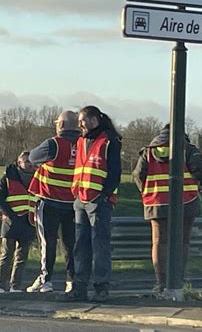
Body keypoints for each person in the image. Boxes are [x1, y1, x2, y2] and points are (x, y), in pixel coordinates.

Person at [132, 124, 202, 294]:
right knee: (183, 241)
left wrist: (145, 190)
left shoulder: (149, 151)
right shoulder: (188, 149)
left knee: (159, 242)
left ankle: (161, 282)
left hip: (157, 201)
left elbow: (137, 174)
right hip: (186, 201)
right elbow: (201, 171)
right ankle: (177, 280)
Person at [62, 105, 121, 303]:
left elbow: (115, 173)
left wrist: (104, 196)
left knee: (100, 245)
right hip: (81, 199)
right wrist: (76, 194)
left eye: (82, 121)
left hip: (98, 201)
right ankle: (79, 287)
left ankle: (101, 287)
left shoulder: (109, 140)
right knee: (81, 246)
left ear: (94, 120)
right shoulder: (80, 141)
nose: (80, 125)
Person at [26, 110, 80, 293]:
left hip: (49, 201)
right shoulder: (84, 145)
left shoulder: (54, 144)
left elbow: (32, 157)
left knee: (47, 242)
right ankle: (71, 281)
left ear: (62, 125)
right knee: (70, 243)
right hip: (73, 204)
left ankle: (45, 280)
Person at [0, 152, 37, 293]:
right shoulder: (8, 177)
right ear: (19, 163)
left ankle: (15, 286)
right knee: (6, 254)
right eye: (26, 161)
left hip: (29, 221)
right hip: (11, 221)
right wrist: (10, 214)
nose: (29, 164)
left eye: (31, 161)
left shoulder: (38, 178)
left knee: (22, 256)